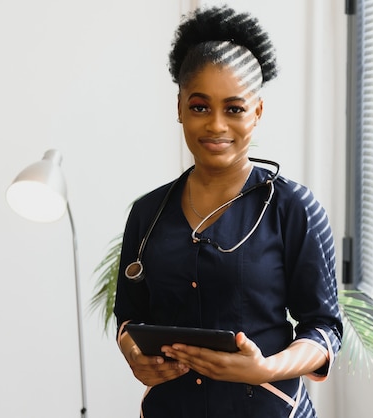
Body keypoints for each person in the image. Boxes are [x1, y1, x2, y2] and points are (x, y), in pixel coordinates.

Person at [114, 5, 342, 417]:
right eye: (200, 107)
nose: (216, 125)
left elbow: (325, 328)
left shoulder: (294, 209)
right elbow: (129, 317)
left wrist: (266, 368)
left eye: (234, 109)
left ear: (256, 112)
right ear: (180, 106)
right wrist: (134, 354)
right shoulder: (147, 214)